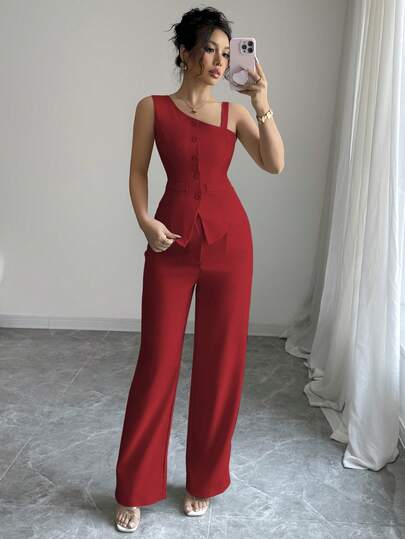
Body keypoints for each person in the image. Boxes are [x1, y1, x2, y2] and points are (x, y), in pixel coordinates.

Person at [114, 6, 284, 533]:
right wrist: (145, 221)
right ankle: (135, 486)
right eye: (211, 49)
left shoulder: (234, 114)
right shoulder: (152, 107)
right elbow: (138, 171)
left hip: (231, 248)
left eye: (227, 54)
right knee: (156, 364)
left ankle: (204, 481)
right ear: (186, 52)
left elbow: (275, 163)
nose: (220, 62)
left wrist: (261, 104)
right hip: (169, 245)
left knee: (221, 366)